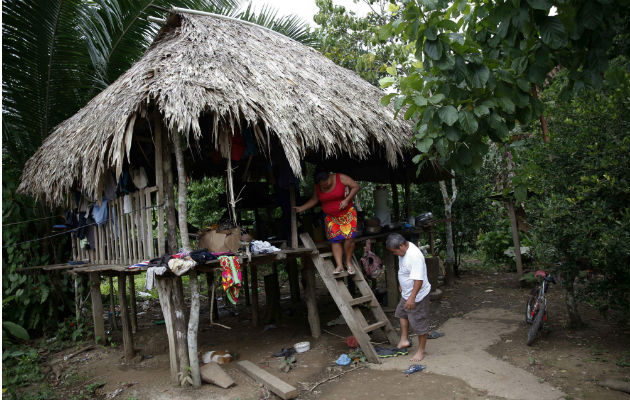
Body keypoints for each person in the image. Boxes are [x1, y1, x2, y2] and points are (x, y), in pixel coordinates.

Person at [295, 171, 359, 274]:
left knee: (349, 238)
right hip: (331, 217)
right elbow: (315, 199)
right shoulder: (318, 186)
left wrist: (347, 200)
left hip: (347, 214)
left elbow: (355, 186)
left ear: (328, 176)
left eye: (326, 183)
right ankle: (339, 266)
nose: (324, 186)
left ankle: (348, 262)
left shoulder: (340, 178)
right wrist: (301, 208)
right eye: (322, 185)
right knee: (335, 240)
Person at [386, 233, 431, 362]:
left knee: (419, 324)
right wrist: (402, 284)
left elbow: (418, 280)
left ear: (401, 246)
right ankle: (404, 339)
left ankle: (421, 351)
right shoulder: (404, 250)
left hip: (417, 296)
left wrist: (412, 298)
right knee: (402, 313)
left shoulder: (414, 256)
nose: (394, 254)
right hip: (407, 292)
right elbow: (404, 270)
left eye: (395, 251)